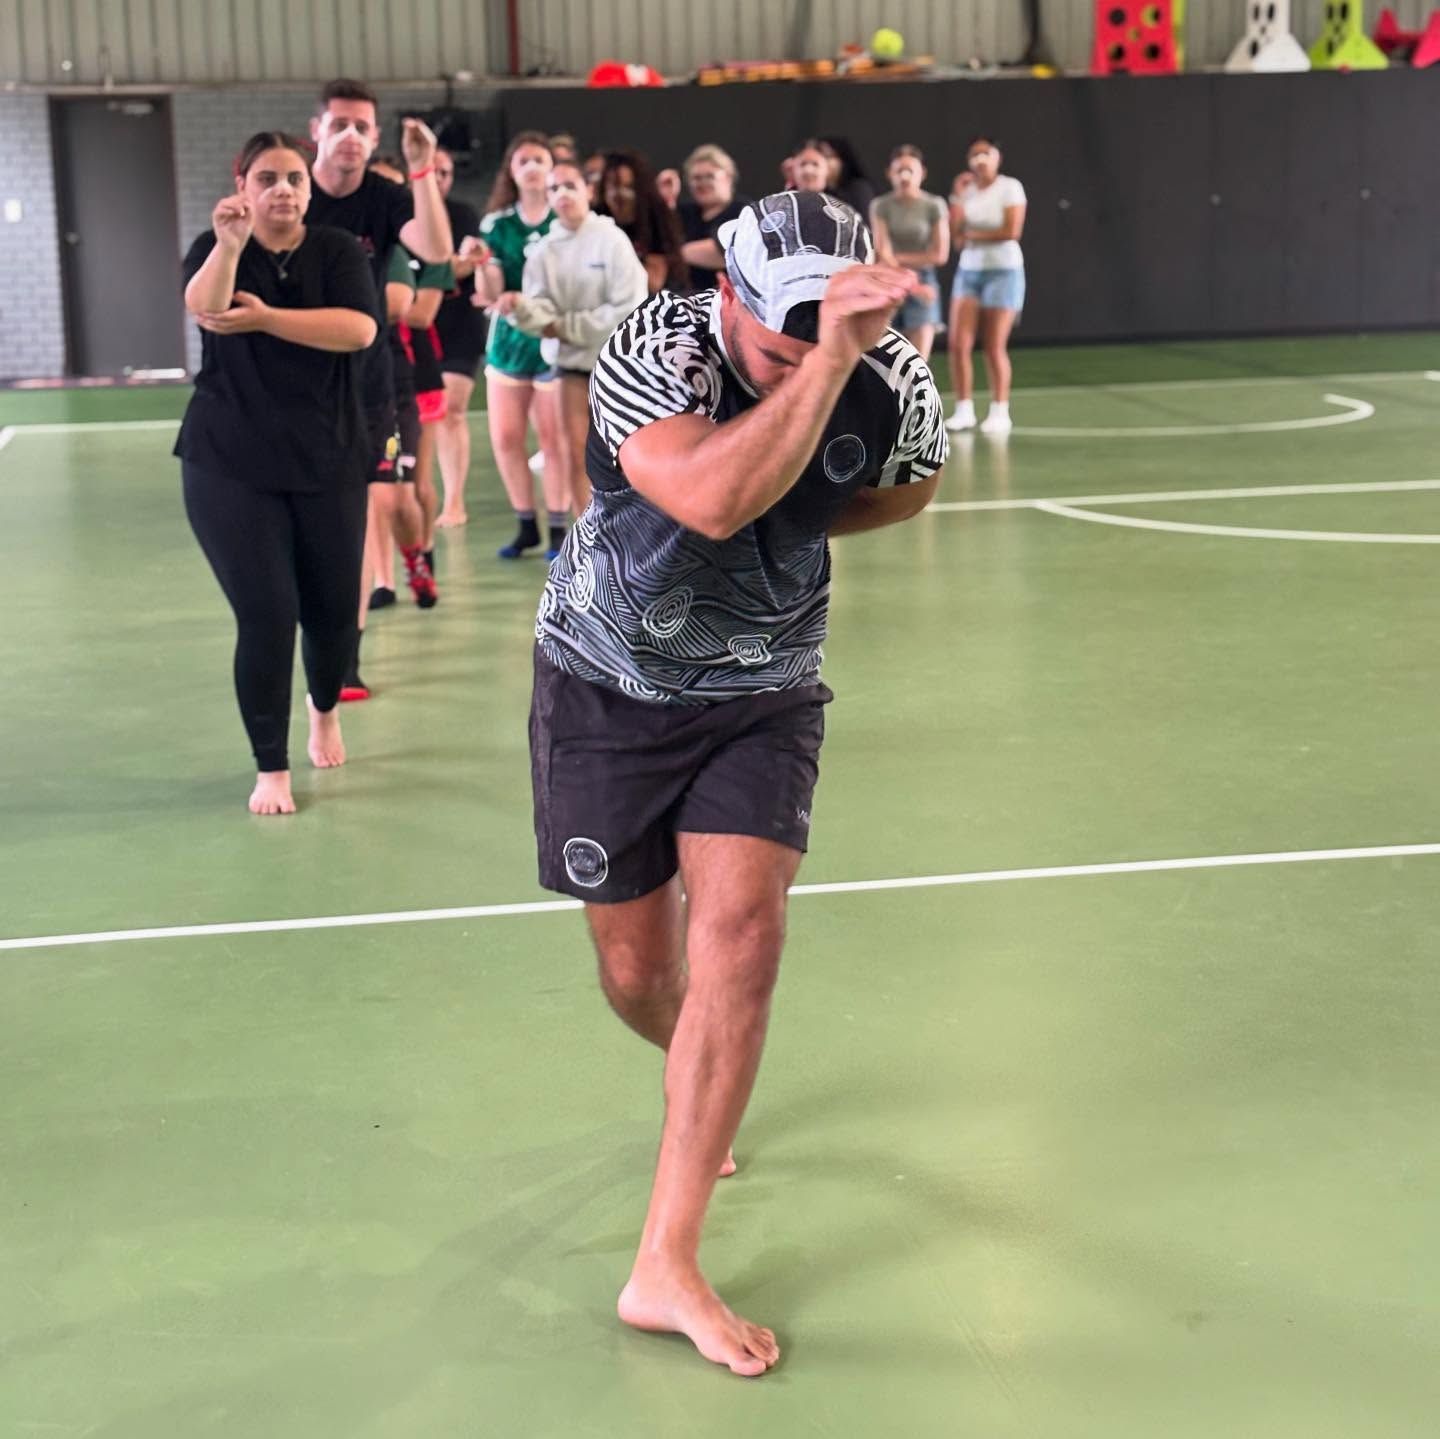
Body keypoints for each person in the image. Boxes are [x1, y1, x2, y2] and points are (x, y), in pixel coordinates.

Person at [529, 190, 947, 1376]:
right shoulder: (652, 351)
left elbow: (909, 485)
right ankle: (696, 1077)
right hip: (607, 681)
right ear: (728, 301)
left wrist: (800, 505)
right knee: (637, 973)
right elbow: (709, 493)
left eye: (828, 341)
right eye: (780, 345)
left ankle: (665, 1261)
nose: (802, 366)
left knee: (743, 936)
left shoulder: (894, 376)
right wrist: (825, 373)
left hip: (765, 685)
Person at [175, 132, 377, 815]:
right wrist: (231, 246)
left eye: (293, 177)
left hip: (329, 454)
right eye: (267, 178)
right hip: (230, 459)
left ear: (309, 187)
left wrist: (266, 320)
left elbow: (358, 330)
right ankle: (271, 766)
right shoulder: (215, 249)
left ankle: (324, 708)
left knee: (330, 620)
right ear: (243, 184)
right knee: (267, 615)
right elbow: (206, 308)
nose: (282, 189)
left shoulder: (337, 251)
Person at [305, 78, 452, 697]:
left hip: (373, 382)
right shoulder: (291, 192)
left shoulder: (386, 197)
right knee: (315, 532)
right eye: (339, 123)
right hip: (302, 384)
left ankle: (346, 659)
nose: (351, 136)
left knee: (366, 514)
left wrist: (421, 170)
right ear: (316, 129)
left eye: (363, 126)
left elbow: (437, 250)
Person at [502, 157, 647, 532]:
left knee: (627, 452)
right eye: (554, 188)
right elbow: (541, 312)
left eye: (570, 185)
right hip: (570, 368)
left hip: (618, 366)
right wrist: (520, 309)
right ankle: (590, 538)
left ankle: (635, 533)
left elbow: (627, 308)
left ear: (589, 191)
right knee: (574, 453)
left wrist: (566, 326)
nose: (563, 194)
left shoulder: (612, 241)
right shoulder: (544, 251)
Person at [478, 132, 568, 559]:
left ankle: (558, 527)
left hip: (554, 338)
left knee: (554, 438)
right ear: (511, 172)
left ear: (552, 168)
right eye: (523, 160)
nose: (532, 166)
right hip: (510, 340)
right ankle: (525, 524)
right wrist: (482, 266)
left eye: (539, 159)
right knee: (506, 437)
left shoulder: (567, 222)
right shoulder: (497, 226)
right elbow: (490, 289)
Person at [946, 136, 1027, 435]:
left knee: (993, 346)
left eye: (986, 153)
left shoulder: (1010, 187)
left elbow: (1011, 231)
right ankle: (964, 409)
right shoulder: (965, 191)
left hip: (1004, 272)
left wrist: (972, 235)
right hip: (969, 272)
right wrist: (956, 197)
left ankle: (999, 410)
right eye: (974, 154)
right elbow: (955, 238)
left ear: (997, 157)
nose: (980, 159)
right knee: (958, 344)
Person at [433, 147, 488, 528]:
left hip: (459, 323)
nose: (439, 178)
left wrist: (433, 271)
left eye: (446, 172)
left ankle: (454, 502)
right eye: (433, 171)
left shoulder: (463, 213)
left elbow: (466, 266)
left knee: (451, 410)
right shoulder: (402, 213)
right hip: (418, 324)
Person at [869, 144, 949, 360]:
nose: (904, 176)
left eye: (910, 170)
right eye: (899, 171)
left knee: (919, 361)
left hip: (924, 279)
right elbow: (882, 251)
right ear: (890, 174)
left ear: (922, 173)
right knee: (883, 357)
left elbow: (939, 254)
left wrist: (897, 259)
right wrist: (911, 284)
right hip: (890, 282)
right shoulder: (881, 205)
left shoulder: (934, 205)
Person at [596, 148, 688, 294]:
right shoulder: (597, 219)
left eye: (628, 187)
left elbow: (653, 283)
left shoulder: (657, 220)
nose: (618, 195)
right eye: (613, 186)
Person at [675, 144, 747, 293]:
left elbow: (725, 253)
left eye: (709, 176)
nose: (702, 183)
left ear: (728, 177)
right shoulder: (684, 212)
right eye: (696, 178)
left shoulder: (744, 211)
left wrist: (674, 253)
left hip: (727, 301)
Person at [819, 136, 876, 216]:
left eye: (828, 156)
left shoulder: (859, 189)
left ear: (843, 160)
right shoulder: (818, 191)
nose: (821, 161)